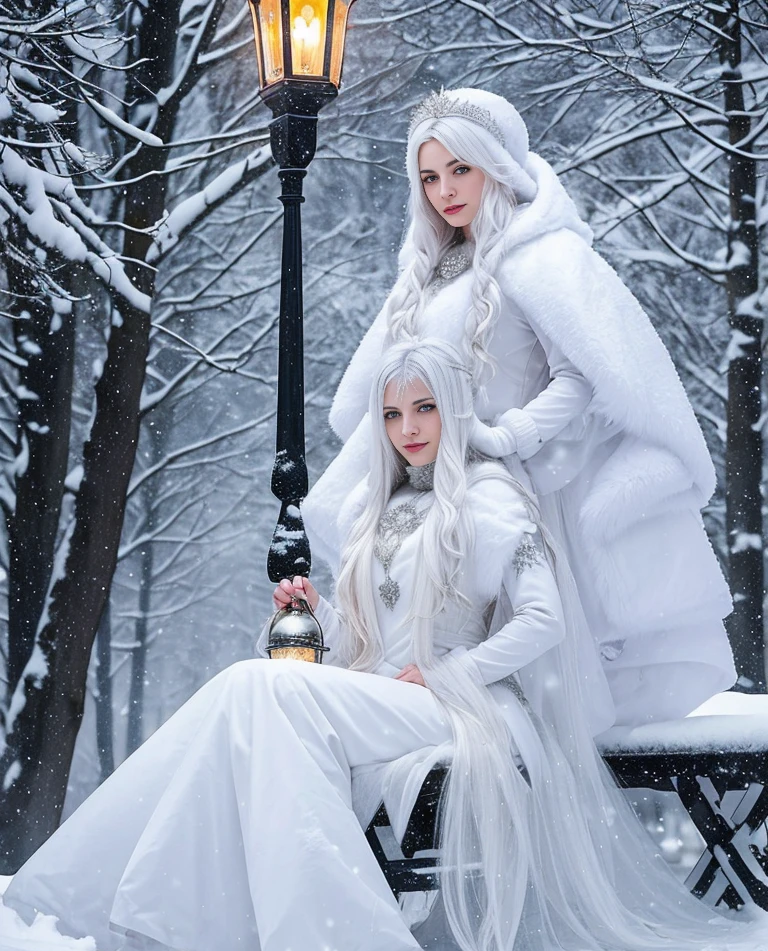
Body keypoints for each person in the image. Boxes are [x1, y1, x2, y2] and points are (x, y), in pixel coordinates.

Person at [3, 342, 736, 951]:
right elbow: (365, 648)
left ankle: (336, 934)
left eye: (424, 409)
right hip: (385, 695)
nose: (407, 429)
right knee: (246, 688)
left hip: (457, 706)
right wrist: (312, 613)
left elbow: (544, 619)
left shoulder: (491, 497)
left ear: (453, 410)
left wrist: (454, 673)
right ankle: (89, 894)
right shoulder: (374, 509)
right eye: (391, 415)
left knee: (263, 691)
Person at [301, 87, 736, 728]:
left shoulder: (542, 257)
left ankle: (501, 759)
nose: (444, 190)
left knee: (528, 673)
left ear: (494, 166)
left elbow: (583, 376)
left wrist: (510, 434)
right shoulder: (429, 270)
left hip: (505, 479)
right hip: (430, 474)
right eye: (428, 177)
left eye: (460, 170)